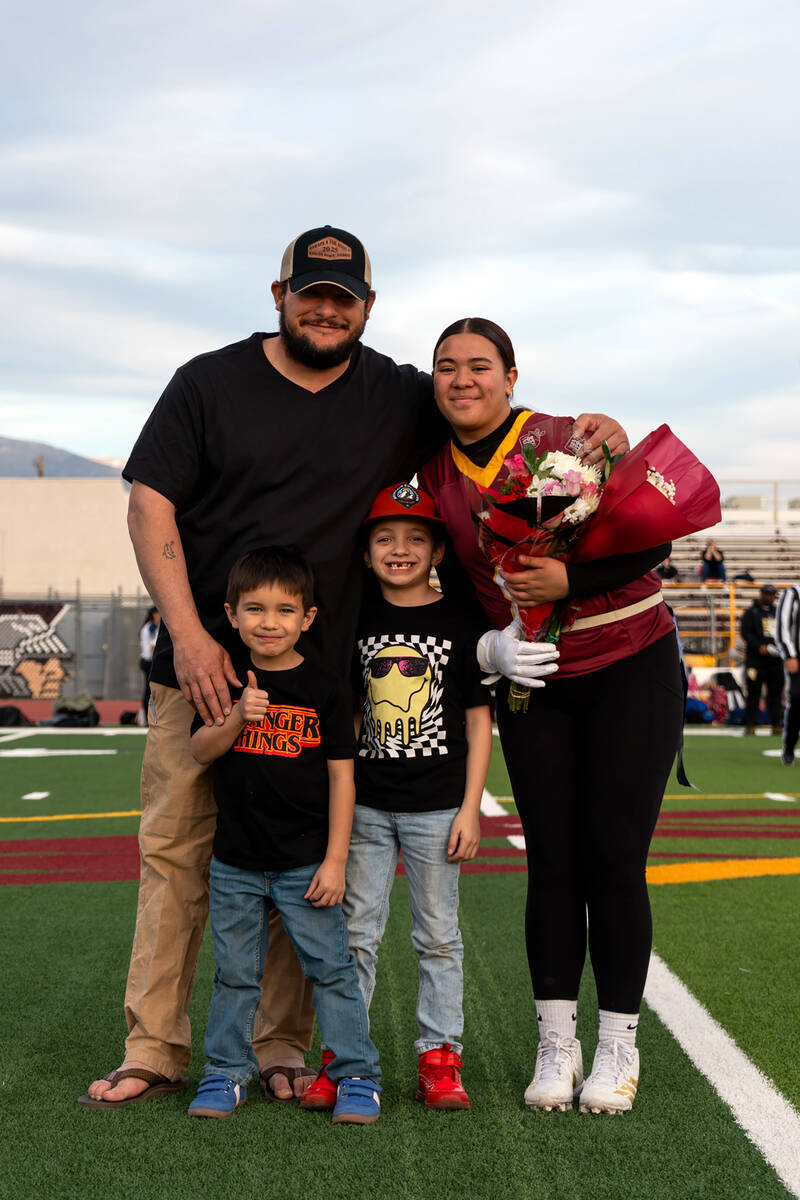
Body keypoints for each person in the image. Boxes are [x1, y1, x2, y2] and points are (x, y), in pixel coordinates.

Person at [79, 223, 627, 1108]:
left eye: (345, 299)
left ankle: (283, 1046)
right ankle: (156, 1047)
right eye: (312, 294)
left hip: (321, 683)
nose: (327, 311)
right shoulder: (207, 382)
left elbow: (485, 409)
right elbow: (151, 503)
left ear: (368, 308)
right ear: (278, 296)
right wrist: (187, 634)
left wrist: (589, 430)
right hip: (207, 668)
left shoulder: (396, 392)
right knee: (178, 855)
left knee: (303, 867)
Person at [419, 317, 684, 1115]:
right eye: (446, 367)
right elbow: (455, 593)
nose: (462, 379)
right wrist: (487, 648)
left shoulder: (567, 437)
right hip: (532, 673)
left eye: (479, 366)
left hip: (629, 660)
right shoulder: (431, 472)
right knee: (554, 863)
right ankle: (556, 1044)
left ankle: (618, 1048)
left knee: (613, 858)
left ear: (511, 376)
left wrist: (572, 585)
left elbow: (650, 535)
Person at [301, 483, 492, 1113]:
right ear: (364, 552)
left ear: (438, 548)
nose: (399, 549)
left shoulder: (459, 620)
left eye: (415, 538)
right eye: (384, 537)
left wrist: (471, 806)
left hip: (439, 806)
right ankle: (344, 1058)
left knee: (438, 937)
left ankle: (440, 1058)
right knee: (355, 934)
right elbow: (351, 715)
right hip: (368, 806)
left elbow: (475, 718)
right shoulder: (357, 618)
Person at [187, 546, 381, 1124]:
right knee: (235, 975)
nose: (269, 622)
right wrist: (234, 717)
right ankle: (225, 1072)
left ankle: (357, 1075)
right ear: (231, 614)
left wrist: (336, 859)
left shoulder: (324, 687)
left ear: (307, 619)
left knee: (332, 970)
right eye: (255, 609)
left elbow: (343, 777)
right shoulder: (223, 683)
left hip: (305, 862)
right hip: (236, 864)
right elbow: (199, 750)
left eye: (283, 610)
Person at [740, 584, 783, 735]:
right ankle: (751, 724)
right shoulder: (751, 613)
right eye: (767, 594)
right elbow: (745, 633)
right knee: (753, 693)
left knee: (775, 694)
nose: (770, 597)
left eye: (772, 594)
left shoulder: (778, 612)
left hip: (775, 661)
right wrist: (759, 646)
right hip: (755, 660)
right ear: (761, 594)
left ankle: (777, 724)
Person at [776, 582, 800, 765]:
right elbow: (782, 627)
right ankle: (790, 747)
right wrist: (789, 654)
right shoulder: (793, 593)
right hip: (798, 659)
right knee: (798, 702)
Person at [138, 605, 160, 717]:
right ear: (154, 615)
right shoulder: (151, 628)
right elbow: (153, 648)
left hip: (149, 661)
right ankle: (147, 714)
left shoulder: (152, 627)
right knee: (149, 689)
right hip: (148, 662)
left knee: (151, 689)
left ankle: (149, 714)